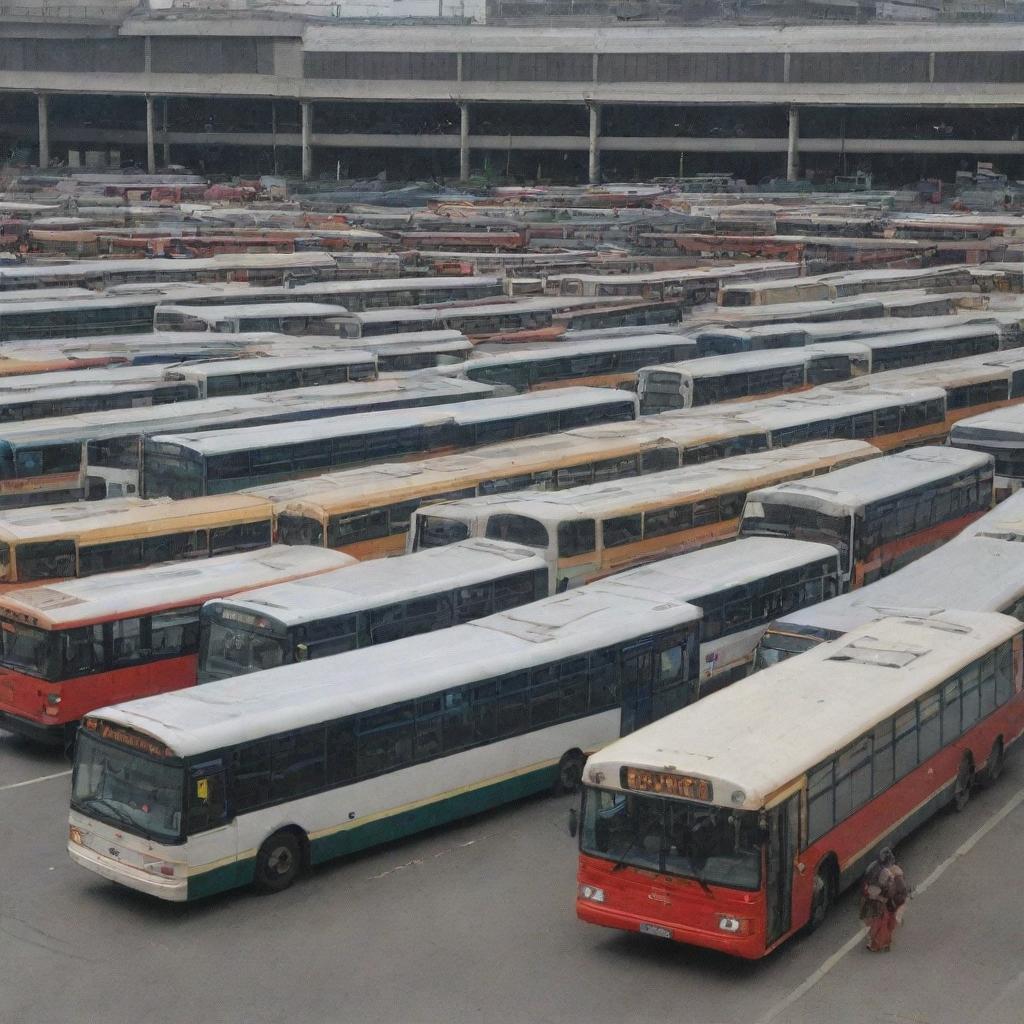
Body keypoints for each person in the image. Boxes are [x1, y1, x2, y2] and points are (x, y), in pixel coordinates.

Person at [859, 847, 908, 952]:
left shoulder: (890, 873)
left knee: (882, 922)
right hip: (884, 901)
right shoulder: (887, 871)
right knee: (883, 922)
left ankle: (879, 943)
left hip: (886, 901)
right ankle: (882, 943)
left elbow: (899, 890)